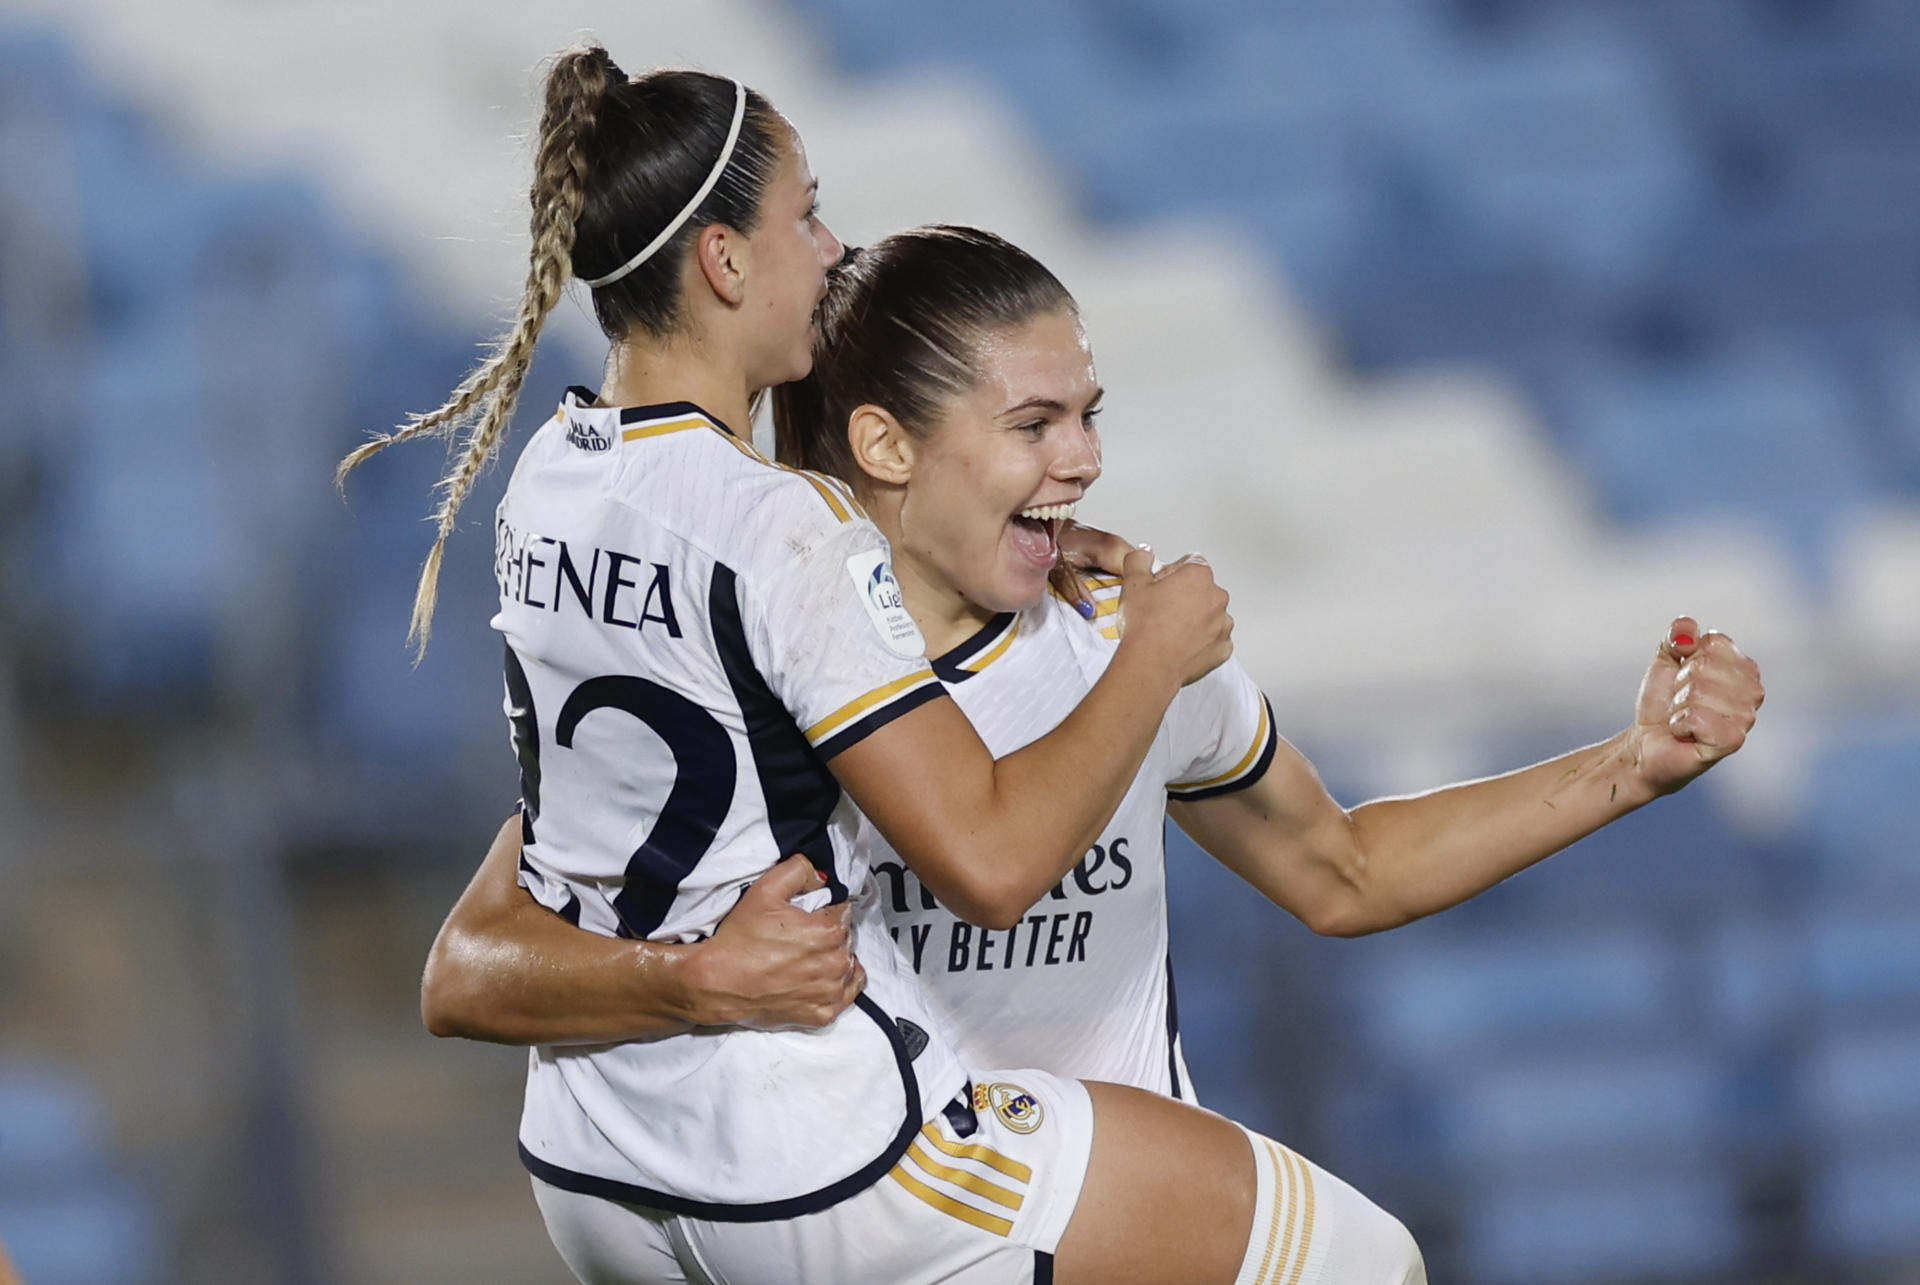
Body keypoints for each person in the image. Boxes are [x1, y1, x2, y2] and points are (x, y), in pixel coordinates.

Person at [418, 221, 1764, 1277]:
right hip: (878, 1210)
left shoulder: (1116, 638)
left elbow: (1346, 869)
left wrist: (1627, 765)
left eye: (1089, 413)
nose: (1085, 460)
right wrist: (695, 977)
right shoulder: (768, 651)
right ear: (887, 445)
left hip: (1107, 1230)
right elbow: (477, 960)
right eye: (1033, 426)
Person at [339, 42, 1424, 1285]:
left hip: (594, 1166)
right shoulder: (785, 528)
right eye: (804, 215)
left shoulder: (550, 488)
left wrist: (685, 975)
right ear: (725, 261)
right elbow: (994, 863)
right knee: (1359, 1257)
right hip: (803, 1160)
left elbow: (522, 900)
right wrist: (1155, 653)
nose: (831, 248)